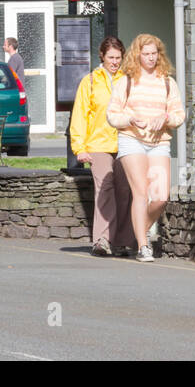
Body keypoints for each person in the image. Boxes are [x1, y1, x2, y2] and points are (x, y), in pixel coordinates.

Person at [106, 34, 186, 262]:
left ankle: (137, 229)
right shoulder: (127, 81)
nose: (151, 58)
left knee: (160, 197)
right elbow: (112, 115)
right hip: (131, 140)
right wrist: (130, 119)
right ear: (137, 55)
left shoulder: (168, 82)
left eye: (154, 53)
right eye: (146, 54)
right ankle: (143, 245)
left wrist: (166, 117)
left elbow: (180, 115)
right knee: (140, 193)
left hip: (159, 142)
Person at [70, 37, 134, 257]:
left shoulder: (128, 80)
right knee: (104, 190)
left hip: (125, 142)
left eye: (118, 58)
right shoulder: (89, 81)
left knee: (125, 191)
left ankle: (123, 241)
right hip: (98, 143)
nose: (115, 62)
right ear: (102, 56)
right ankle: (102, 240)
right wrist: (79, 147)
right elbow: (79, 114)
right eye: (111, 57)